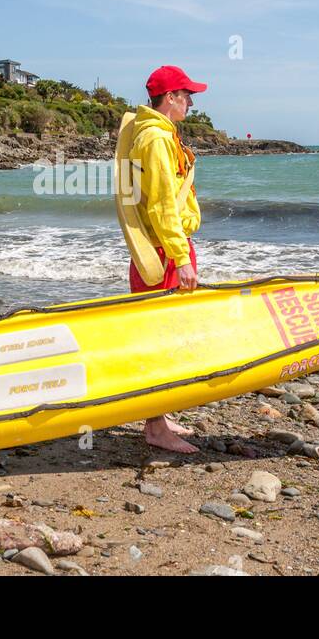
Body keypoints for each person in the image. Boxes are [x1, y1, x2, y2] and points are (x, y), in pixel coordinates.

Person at [125, 65, 207, 453]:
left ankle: (160, 414)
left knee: (168, 331)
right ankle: (155, 428)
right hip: (162, 251)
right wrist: (181, 256)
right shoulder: (156, 140)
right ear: (170, 97)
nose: (191, 101)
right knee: (161, 337)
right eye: (186, 95)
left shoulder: (156, 133)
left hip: (163, 247)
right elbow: (160, 206)